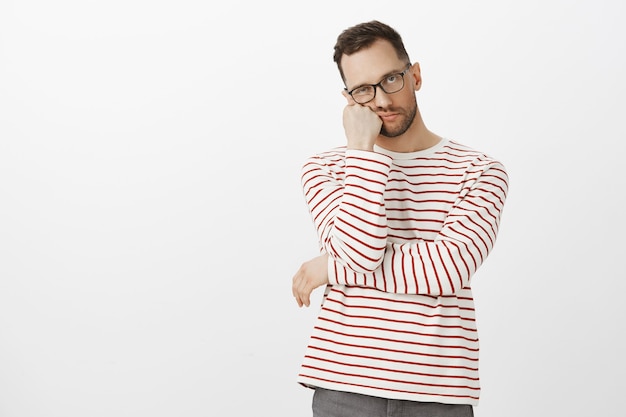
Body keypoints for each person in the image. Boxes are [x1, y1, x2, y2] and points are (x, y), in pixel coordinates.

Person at [291, 20, 509, 417]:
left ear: (416, 76)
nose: (381, 100)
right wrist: (360, 150)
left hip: (438, 394)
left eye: (391, 79)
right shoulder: (325, 168)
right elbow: (359, 255)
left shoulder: (479, 171)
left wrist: (330, 267)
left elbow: (447, 270)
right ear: (348, 99)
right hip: (343, 386)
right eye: (363, 90)